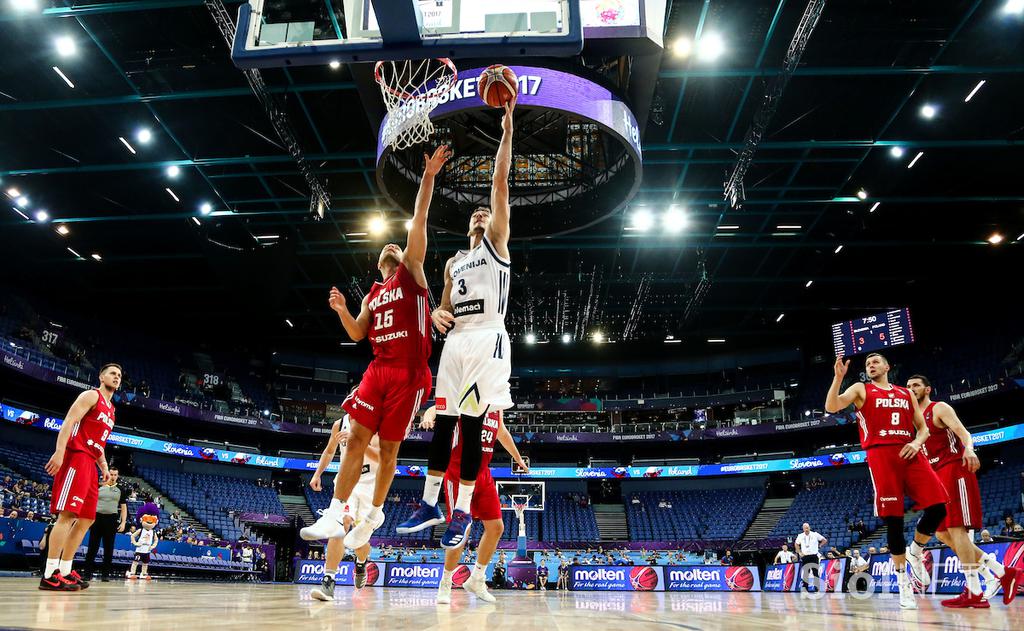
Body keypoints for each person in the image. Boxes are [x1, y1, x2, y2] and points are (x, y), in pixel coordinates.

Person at [301, 146, 450, 549]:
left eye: (396, 247)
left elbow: (418, 221)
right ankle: (334, 512)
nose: (391, 248)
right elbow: (355, 333)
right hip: (378, 368)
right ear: (377, 262)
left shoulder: (411, 274)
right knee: (353, 436)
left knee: (387, 449)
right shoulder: (373, 293)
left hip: (410, 371)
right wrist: (342, 310)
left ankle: (375, 514)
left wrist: (430, 176)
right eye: (386, 248)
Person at [399, 101, 518, 549]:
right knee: (445, 419)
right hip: (458, 340)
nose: (481, 214)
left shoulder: (497, 245)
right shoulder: (453, 261)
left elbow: (500, 184)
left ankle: (463, 511)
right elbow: (444, 308)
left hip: (488, 337)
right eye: (476, 214)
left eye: (485, 213)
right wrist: (434, 313)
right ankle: (431, 502)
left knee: (470, 423)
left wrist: (506, 132)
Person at [826, 353, 947, 609]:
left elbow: (923, 428)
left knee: (938, 506)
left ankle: (915, 550)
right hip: (881, 455)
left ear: (887, 367)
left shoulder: (906, 393)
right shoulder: (861, 388)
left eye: (875, 362)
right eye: (868, 364)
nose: (871, 365)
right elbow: (832, 407)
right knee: (894, 520)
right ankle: (904, 583)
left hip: (909, 451)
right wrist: (838, 380)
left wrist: (916, 443)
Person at [908, 375, 1018, 607]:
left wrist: (969, 449)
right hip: (935, 476)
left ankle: (974, 591)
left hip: (953, 468)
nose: (911, 389)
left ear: (927, 389)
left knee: (957, 529)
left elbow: (963, 432)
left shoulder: (939, 408)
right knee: (941, 533)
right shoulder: (914, 420)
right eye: (908, 386)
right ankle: (1002, 572)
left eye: (916, 385)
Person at [40, 363, 121, 591]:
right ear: (101, 376)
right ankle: (49, 573)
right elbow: (69, 422)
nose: (116, 377)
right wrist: (59, 451)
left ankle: (65, 570)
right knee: (67, 515)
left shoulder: (111, 410)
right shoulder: (90, 395)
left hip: (91, 463)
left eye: (119, 376)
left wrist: (104, 465)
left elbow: (99, 442)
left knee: (87, 519)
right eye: (112, 373)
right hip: (76, 457)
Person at [436, 410, 529, 605]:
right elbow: (437, 406)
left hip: (483, 476)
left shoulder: (497, 405)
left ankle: (477, 579)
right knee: (461, 531)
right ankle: (445, 583)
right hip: (458, 475)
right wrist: (428, 416)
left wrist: (518, 458)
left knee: (496, 527)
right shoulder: (467, 394)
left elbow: (501, 432)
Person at [302, 415, 380, 601]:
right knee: (340, 524)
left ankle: (361, 562)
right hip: (346, 483)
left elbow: (383, 456)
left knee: (360, 540)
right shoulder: (340, 423)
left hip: (370, 486)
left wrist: (357, 442)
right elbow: (330, 451)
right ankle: (329, 580)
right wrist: (317, 474)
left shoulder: (378, 422)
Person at [83, 466, 127, 582]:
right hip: (97, 518)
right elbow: (90, 502)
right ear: (106, 474)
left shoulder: (121, 489)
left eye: (115, 475)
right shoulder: (98, 486)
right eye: (111, 474)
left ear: (117, 476)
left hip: (111, 520)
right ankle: (87, 574)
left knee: (109, 548)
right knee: (92, 547)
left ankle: (105, 575)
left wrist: (123, 522)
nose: (113, 477)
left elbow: (123, 507)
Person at [795, 523, 826, 592]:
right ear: (803, 529)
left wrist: (819, 545)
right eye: (805, 528)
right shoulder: (800, 536)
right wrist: (799, 552)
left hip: (814, 556)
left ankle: (817, 589)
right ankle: (805, 589)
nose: (806, 529)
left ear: (809, 528)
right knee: (806, 573)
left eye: (807, 527)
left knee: (815, 572)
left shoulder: (815, 534)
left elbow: (824, 540)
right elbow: (796, 544)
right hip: (805, 556)